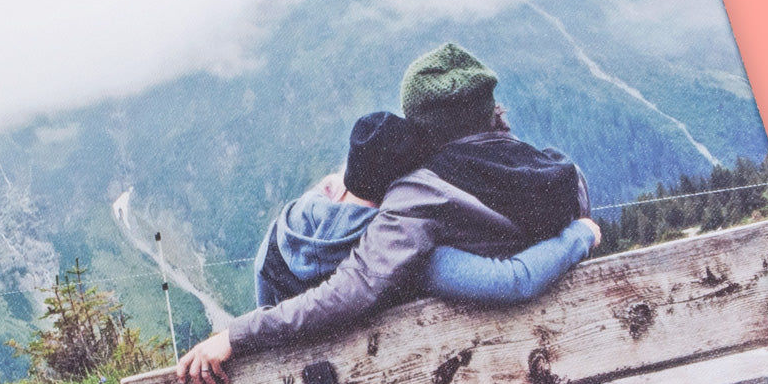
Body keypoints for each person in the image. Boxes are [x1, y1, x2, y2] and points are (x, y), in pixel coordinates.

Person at [178, 42, 595, 384]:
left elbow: (352, 290)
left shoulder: (421, 195)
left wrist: (237, 334)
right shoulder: (565, 177)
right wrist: (581, 234)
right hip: (572, 369)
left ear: (422, 127)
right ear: (489, 109)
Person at [253, 110, 599, 311]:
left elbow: (268, 314)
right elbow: (512, 280)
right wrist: (580, 234)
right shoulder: (404, 250)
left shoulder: (281, 235)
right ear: (403, 184)